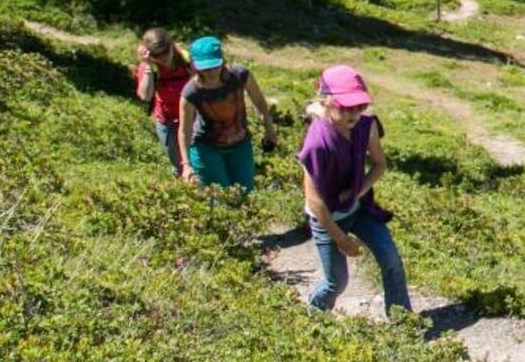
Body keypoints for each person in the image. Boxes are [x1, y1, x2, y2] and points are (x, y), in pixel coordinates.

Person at [298, 65, 410, 316]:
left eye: (359, 106)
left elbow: (379, 164)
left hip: (358, 209)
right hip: (327, 219)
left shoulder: (367, 126)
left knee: (391, 259)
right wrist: (341, 239)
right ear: (326, 100)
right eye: (346, 106)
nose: (354, 113)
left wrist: (358, 191)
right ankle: (311, 316)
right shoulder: (316, 142)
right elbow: (315, 202)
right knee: (337, 282)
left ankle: (403, 322)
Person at [177, 35, 277, 193]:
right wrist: (186, 165)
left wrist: (269, 129)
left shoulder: (241, 76)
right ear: (195, 66)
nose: (211, 72)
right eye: (205, 69)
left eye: (214, 66)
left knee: (245, 193)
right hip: (207, 149)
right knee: (220, 197)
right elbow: (184, 130)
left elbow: (259, 102)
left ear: (222, 61)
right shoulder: (191, 92)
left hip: (240, 145)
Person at [134, 28, 192, 175]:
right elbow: (145, 96)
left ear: (171, 45)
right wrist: (147, 65)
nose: (162, 58)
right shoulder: (149, 66)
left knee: (197, 163)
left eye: (165, 53)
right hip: (167, 121)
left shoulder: (185, 60)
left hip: (192, 118)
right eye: (156, 55)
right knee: (179, 166)